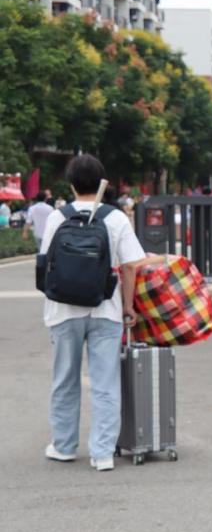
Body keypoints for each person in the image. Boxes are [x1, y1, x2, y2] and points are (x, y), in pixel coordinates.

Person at [39, 154, 146, 471]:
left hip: (63, 311)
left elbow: (45, 264)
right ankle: (102, 453)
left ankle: (63, 446)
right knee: (105, 383)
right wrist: (128, 305)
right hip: (106, 310)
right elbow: (130, 267)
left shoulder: (58, 217)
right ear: (102, 182)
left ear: (71, 183)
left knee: (64, 380)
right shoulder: (115, 218)